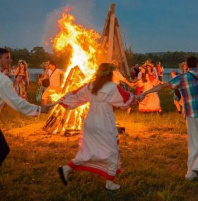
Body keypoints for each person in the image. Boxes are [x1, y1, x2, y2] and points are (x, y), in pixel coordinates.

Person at [138, 55, 198, 179]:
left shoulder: (181, 78)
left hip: (189, 114)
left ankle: (190, 174)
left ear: (186, 66)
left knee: (193, 145)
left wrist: (145, 92)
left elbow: (163, 86)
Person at [56, 63, 137, 191]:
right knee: (112, 151)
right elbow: (125, 100)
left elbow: (76, 95)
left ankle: (66, 168)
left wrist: (60, 101)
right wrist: (136, 98)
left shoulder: (91, 85)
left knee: (88, 151)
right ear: (110, 74)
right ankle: (109, 184)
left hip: (91, 122)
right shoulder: (112, 87)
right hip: (104, 122)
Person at [0, 48, 51, 190]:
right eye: (7, 57)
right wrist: (39, 109)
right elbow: (17, 103)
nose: (10, 60)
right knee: (2, 150)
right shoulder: (3, 80)